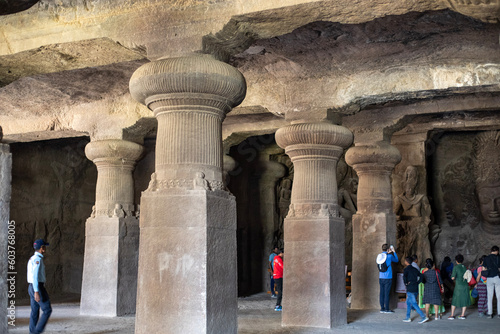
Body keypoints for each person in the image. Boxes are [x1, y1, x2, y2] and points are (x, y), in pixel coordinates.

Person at [27, 239, 52, 334]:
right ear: (42, 248)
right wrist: (36, 291)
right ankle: (36, 332)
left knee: (35, 311)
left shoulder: (32, 258)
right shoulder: (37, 259)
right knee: (47, 310)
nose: (45, 248)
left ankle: (32, 332)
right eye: (44, 246)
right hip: (37, 287)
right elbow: (35, 276)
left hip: (31, 286)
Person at [402, 256, 428, 323]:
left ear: (406, 262)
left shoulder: (406, 269)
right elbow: (421, 275)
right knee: (408, 303)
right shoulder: (414, 269)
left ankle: (423, 316)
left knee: (414, 304)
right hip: (415, 288)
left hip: (410, 289)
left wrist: (406, 284)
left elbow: (404, 278)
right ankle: (407, 317)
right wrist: (418, 282)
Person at [378, 243, 398, 313]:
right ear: (388, 249)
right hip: (388, 277)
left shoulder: (380, 256)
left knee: (381, 293)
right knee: (387, 293)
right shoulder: (389, 256)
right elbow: (396, 260)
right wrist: (394, 252)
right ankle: (387, 309)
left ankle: (382, 308)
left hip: (381, 277)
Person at [448, 254, 470, 320]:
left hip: (458, 286)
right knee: (464, 299)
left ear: (456, 261)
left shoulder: (456, 267)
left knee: (454, 300)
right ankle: (462, 315)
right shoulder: (465, 267)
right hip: (465, 285)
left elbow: (452, 277)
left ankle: (452, 315)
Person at [481, 245, 500, 319]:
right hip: (497, 277)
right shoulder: (499, 257)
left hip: (489, 278)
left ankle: (490, 313)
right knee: (499, 296)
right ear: (497, 251)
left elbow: (483, 268)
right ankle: (499, 314)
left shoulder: (486, 258)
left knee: (489, 296)